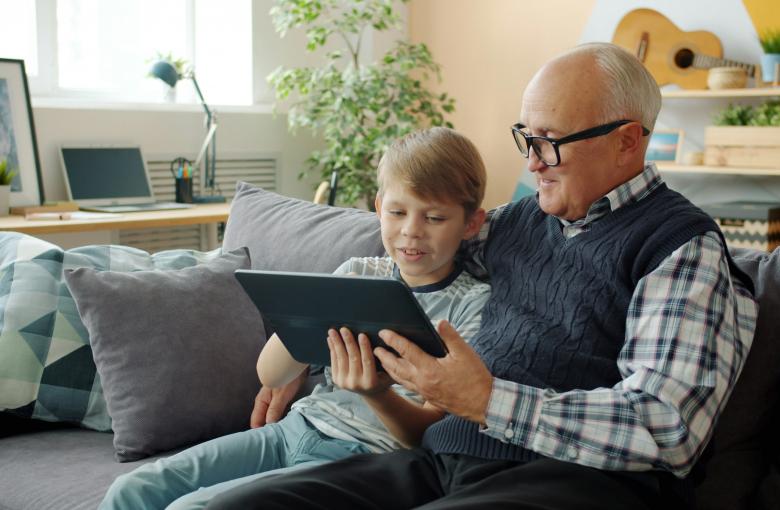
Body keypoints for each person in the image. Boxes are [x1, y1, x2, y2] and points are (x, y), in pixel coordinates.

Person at [204, 42, 759, 510]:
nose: (532, 163)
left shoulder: (680, 245)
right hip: (438, 456)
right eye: (527, 138)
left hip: (572, 479)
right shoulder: (514, 223)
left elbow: (668, 429)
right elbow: (415, 257)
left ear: (627, 141)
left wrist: (490, 401)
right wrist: (309, 347)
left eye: (550, 143)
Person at [99, 126, 492, 510]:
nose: (411, 231)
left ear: (471, 223)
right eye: (397, 212)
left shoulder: (473, 306)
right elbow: (271, 375)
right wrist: (306, 320)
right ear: (378, 208)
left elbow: (425, 435)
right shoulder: (357, 272)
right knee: (133, 489)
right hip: (293, 429)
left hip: (360, 457)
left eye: (434, 219)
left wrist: (375, 393)